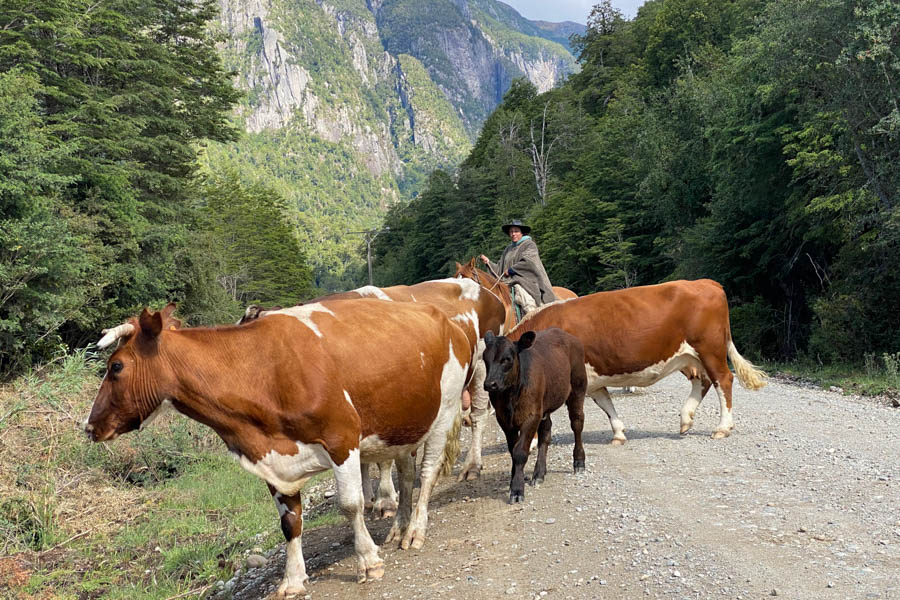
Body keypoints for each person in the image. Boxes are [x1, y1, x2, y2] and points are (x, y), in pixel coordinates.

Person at [480, 219, 556, 316]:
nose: (513, 234)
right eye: (511, 232)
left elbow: (529, 262)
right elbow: (500, 269)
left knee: (527, 302)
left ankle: (533, 320)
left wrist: (512, 270)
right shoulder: (508, 249)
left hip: (527, 281)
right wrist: (488, 262)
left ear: (522, 233)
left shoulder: (529, 245)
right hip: (509, 282)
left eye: (516, 231)